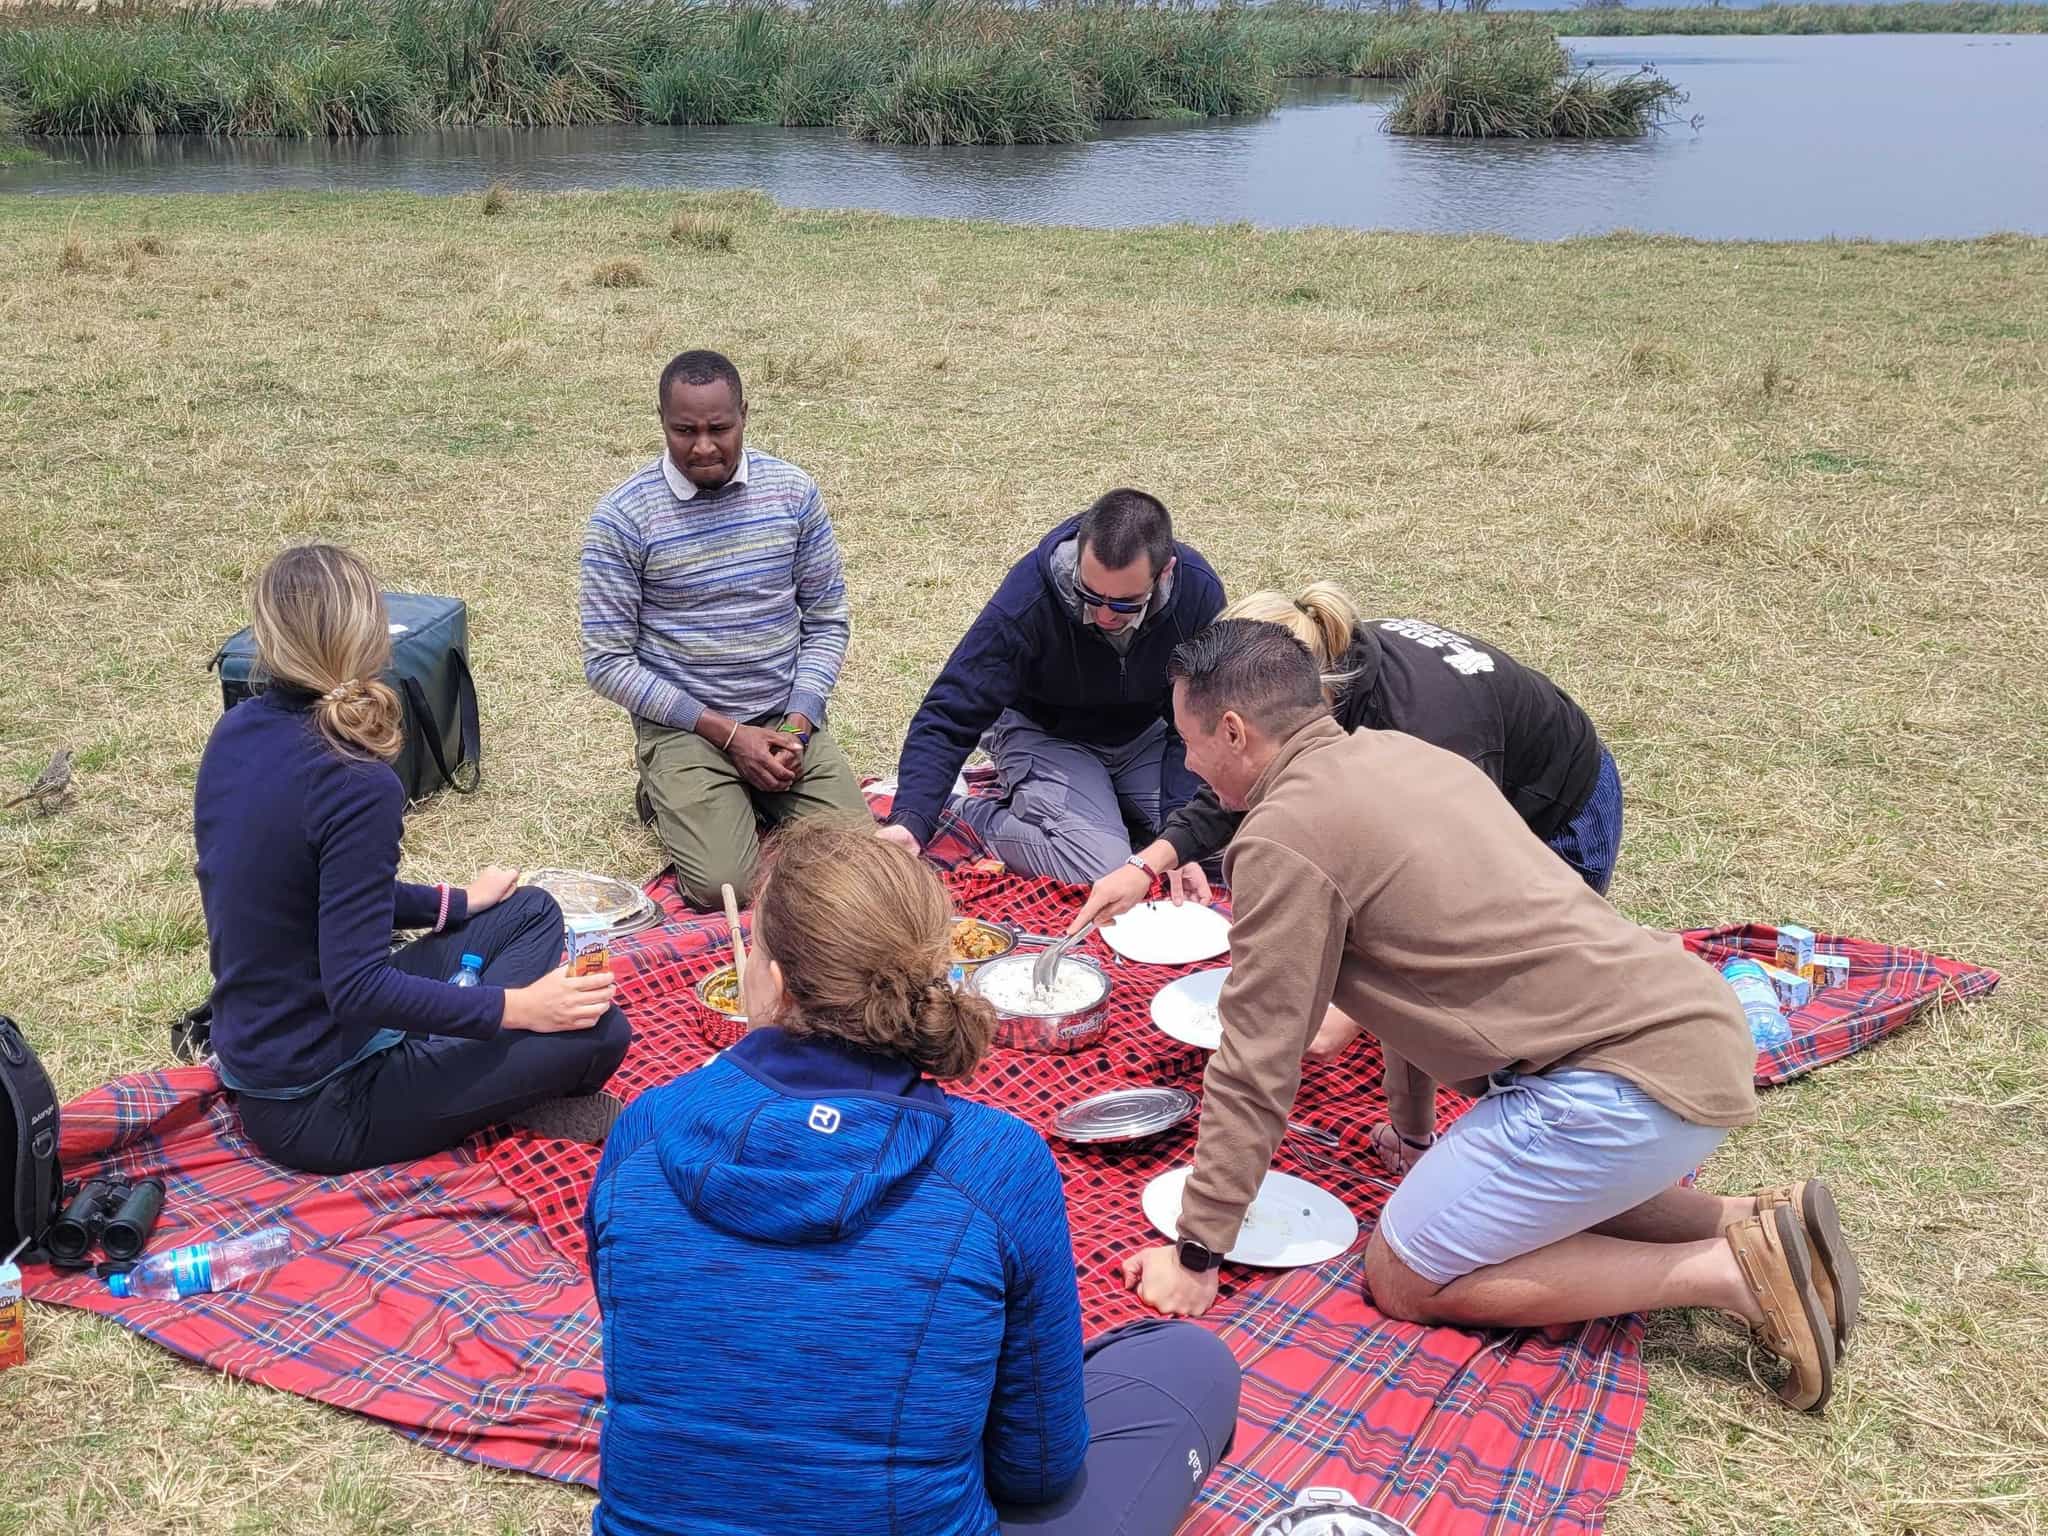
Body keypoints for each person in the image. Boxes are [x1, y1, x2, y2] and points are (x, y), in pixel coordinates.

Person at [1117, 621, 1859, 1414]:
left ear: (1233, 730)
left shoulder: (1282, 837)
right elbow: (1414, 973)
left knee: (1404, 1274)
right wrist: (1412, 1135)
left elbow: (1260, 1054)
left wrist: (1197, 1249)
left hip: (1609, 1086)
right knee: (1514, 1187)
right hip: (1687, 1033)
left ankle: (1731, 1275)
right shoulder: (1406, 755)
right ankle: (1758, 1220)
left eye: (1190, 740)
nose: (1188, 763)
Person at [587, 821, 1240, 1535]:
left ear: (771, 983)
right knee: (1190, 1362)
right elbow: (1040, 1471)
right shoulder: (996, 1165)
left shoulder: (643, 1134)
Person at [194, 545, 632, 1174]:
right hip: (318, 1106)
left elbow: (310, 890)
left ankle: (469, 1060)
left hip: (274, 1047)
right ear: (374, 633)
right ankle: (492, 1082)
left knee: (529, 911)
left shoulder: (237, 730)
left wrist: (456, 902)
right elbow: (359, 987)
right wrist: (520, 1009)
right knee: (600, 1033)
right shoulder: (355, 780)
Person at [1074, 580, 1621, 923]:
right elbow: (1235, 777)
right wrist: (1149, 863)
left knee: (1521, 983)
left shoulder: (1425, 729)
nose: (1191, 760)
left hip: (1555, 811)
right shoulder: (1318, 681)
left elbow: (1460, 885)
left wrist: (1352, 1011)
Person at [581, 348, 868, 907]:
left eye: (720, 427)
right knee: (723, 888)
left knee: (858, 860)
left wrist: (799, 725)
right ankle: (667, 789)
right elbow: (607, 662)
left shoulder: (793, 494)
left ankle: (745, 792)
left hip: (783, 719)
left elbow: (828, 620)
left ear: (745, 415)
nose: (704, 446)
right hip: (687, 726)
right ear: (662, 422)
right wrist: (729, 737)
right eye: (684, 430)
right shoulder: (621, 518)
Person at [877, 489, 1225, 885]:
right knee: (1102, 866)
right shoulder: (1030, 596)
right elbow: (952, 709)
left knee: (1222, 839)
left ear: (1164, 573)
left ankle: (1107, 819)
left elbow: (1203, 716)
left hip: (1145, 737)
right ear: (1079, 559)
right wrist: (913, 818)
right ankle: (966, 814)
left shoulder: (1197, 591)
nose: (1105, 614)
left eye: (1125, 603)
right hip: (1048, 735)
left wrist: (1177, 839)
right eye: (1089, 594)